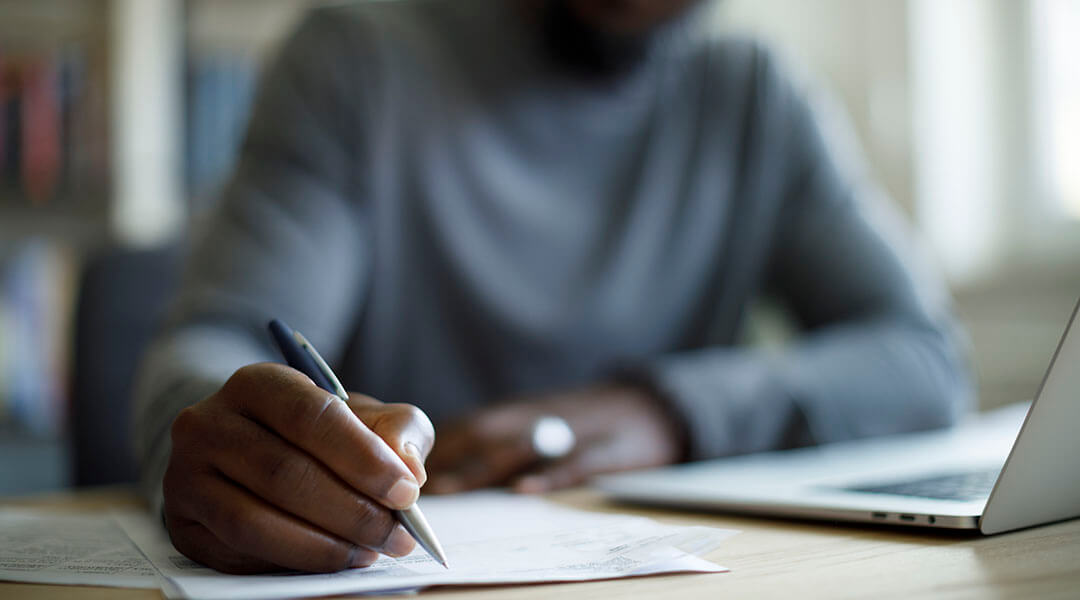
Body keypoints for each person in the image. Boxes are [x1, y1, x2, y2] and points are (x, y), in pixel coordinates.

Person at [133, 0, 971, 575]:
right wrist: (221, 447)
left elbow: (923, 355)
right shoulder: (354, 63)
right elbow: (216, 344)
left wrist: (665, 411)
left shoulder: (751, 96)